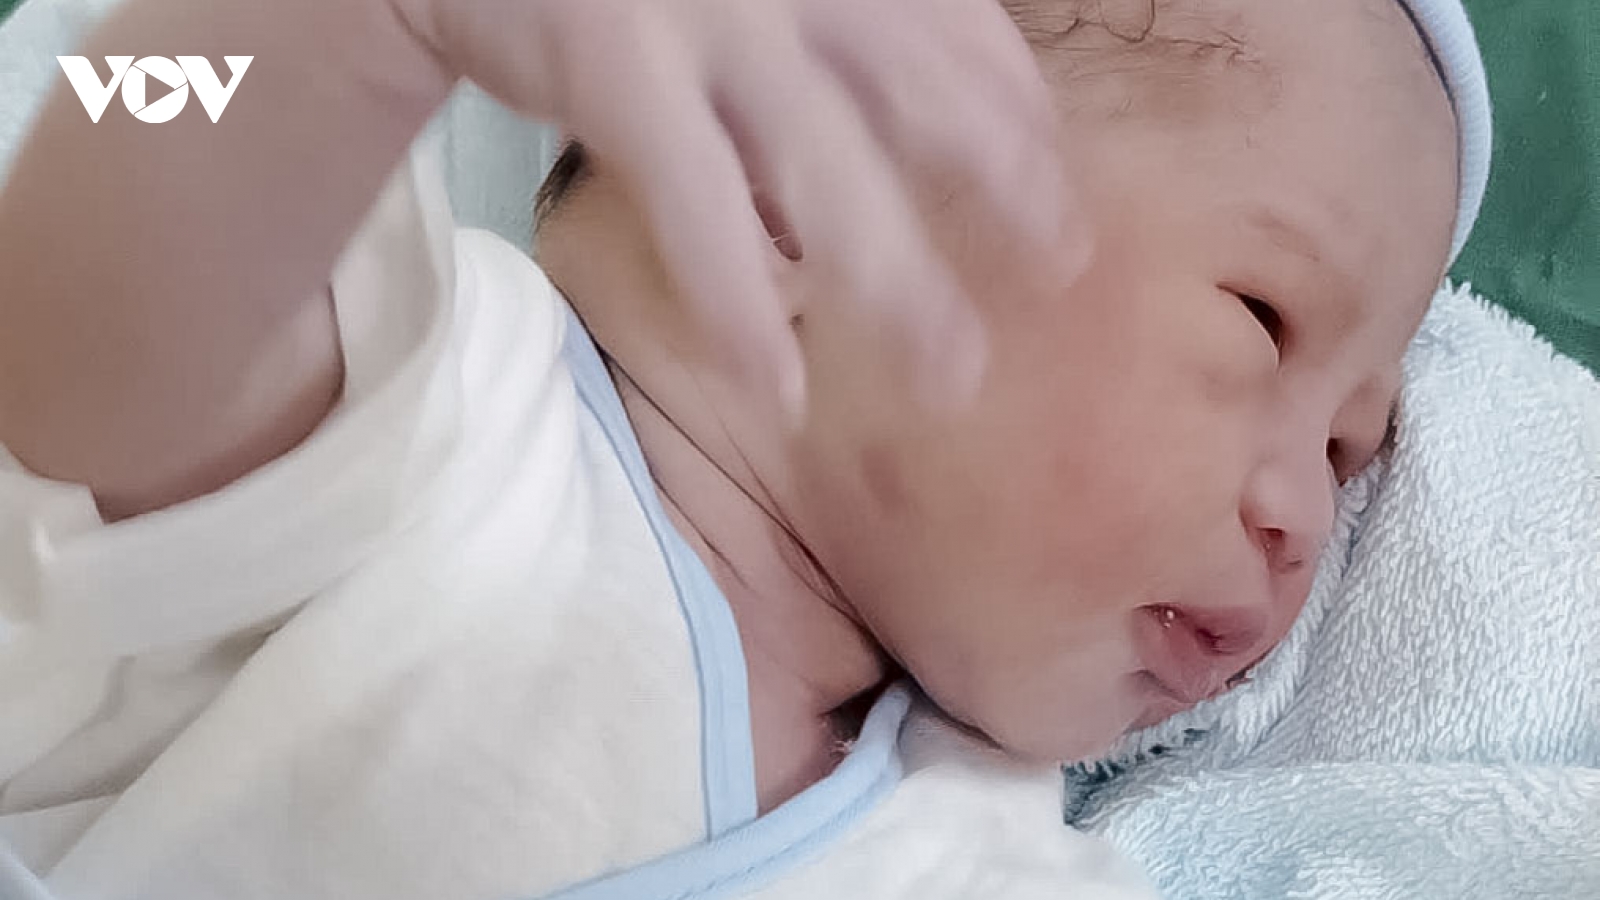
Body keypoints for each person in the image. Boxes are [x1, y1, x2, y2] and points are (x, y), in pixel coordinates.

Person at [0, 0, 1487, 896]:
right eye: (1264, 321)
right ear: (794, 182)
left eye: (1350, 447)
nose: (1312, 517)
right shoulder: (438, 404)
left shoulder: (993, 842)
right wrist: (347, 33)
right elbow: (70, 316)